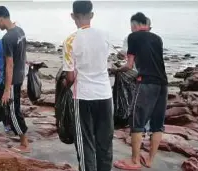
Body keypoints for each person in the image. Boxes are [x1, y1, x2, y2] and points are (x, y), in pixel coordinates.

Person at [112, 12, 167, 170]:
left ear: (135, 24)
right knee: (157, 124)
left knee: (137, 121)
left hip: (146, 83)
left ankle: (135, 161)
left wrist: (116, 70)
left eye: (131, 25)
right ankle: (149, 160)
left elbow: (129, 66)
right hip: (163, 83)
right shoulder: (157, 38)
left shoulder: (133, 36)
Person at [62, 1, 113, 171]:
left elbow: (70, 76)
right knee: (104, 142)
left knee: (85, 143)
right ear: (92, 15)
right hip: (105, 94)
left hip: (83, 95)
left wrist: (64, 84)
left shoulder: (70, 40)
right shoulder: (105, 35)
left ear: (73, 16)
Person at [0, 6, 30, 153]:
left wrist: (7, 89)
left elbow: (9, 65)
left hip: (13, 79)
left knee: (13, 110)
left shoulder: (7, 38)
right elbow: (23, 54)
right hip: (19, 75)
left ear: (0, 18)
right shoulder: (20, 31)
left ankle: (24, 143)